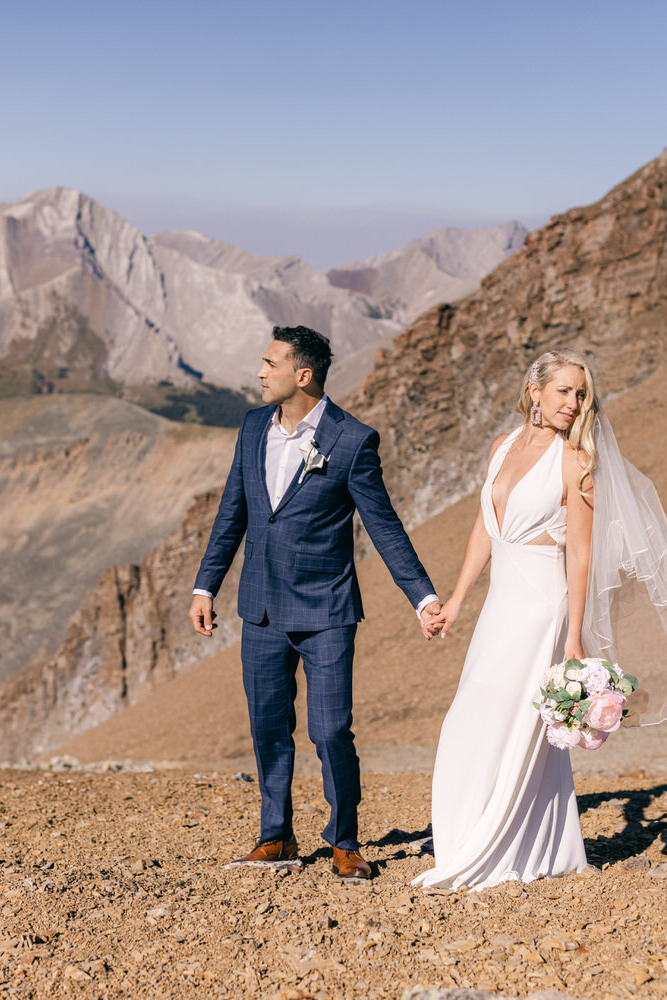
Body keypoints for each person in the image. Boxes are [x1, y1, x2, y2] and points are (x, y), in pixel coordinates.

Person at [415, 349, 667, 890]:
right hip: (499, 604)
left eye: (581, 395)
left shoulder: (576, 461)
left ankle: (495, 852)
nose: (573, 404)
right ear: (534, 390)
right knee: (470, 720)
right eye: (564, 392)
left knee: (511, 724)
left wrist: (572, 635)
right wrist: (455, 601)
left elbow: (580, 552)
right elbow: (485, 529)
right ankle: (510, 843)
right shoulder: (501, 448)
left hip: (542, 607)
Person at [189, 325, 442, 881]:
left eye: (268, 363)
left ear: (301, 375)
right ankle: (275, 836)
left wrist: (422, 596)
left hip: (326, 611)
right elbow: (233, 511)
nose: (259, 372)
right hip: (259, 608)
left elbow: (384, 526)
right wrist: (206, 585)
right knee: (267, 725)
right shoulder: (253, 426)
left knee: (330, 730)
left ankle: (344, 840)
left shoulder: (352, 440)